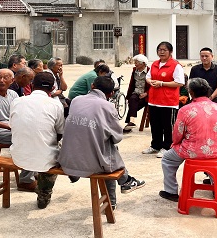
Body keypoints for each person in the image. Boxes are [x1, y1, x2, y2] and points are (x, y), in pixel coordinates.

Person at [58, 76, 146, 210]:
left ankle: (123, 185)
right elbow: (117, 137)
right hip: (91, 163)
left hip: (67, 159)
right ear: (111, 93)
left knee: (99, 146)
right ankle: (122, 186)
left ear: (92, 86)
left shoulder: (76, 100)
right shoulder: (108, 106)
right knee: (109, 150)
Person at [159, 78, 217, 202]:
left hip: (193, 151)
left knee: (167, 159)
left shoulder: (185, 110)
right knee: (213, 163)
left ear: (191, 92)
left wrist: (175, 144)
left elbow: (177, 135)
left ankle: (171, 191)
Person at [10, 72, 65, 209]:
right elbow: (60, 132)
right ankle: (44, 192)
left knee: (37, 143)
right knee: (57, 150)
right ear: (53, 88)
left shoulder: (17, 101)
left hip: (18, 157)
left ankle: (37, 179)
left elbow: (13, 125)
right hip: (44, 159)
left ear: (32, 85)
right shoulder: (55, 105)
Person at [0, 68, 37, 191]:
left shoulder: (13, 94)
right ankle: (26, 180)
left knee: (37, 136)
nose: (1, 80)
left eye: (5, 78)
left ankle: (32, 172)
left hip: (12, 130)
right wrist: (9, 126)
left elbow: (19, 114)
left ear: (12, 81)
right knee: (30, 140)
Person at [142, 41, 185, 158]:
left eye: (164, 50)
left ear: (170, 52)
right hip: (154, 100)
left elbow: (180, 82)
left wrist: (162, 83)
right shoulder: (155, 64)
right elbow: (148, 77)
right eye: (159, 50)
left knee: (168, 126)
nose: (161, 52)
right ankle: (155, 145)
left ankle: (167, 147)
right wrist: (150, 81)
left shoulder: (175, 65)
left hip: (168, 101)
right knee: (155, 124)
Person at [123, 54, 150, 132]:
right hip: (136, 93)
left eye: (136, 62)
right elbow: (131, 85)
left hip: (146, 95)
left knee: (133, 104)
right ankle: (132, 122)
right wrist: (127, 96)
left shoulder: (150, 71)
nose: (135, 64)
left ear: (143, 63)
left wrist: (146, 93)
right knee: (132, 99)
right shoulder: (135, 70)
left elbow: (153, 86)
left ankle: (130, 123)